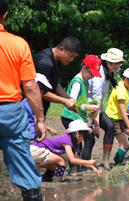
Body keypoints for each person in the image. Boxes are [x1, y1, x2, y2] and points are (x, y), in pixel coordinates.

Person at [0, 1, 46, 200]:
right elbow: (29, 86)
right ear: (5, 15)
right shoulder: (18, 44)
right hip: (10, 112)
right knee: (24, 165)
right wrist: (40, 118)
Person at [60, 55, 101, 171]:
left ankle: (81, 167)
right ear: (84, 68)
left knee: (85, 141)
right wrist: (88, 106)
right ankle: (79, 168)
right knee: (79, 142)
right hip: (70, 117)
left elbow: (81, 99)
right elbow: (72, 102)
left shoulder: (85, 82)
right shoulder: (77, 82)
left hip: (78, 117)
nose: (92, 76)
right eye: (91, 73)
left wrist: (90, 104)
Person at [88, 48, 126, 169]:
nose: (119, 66)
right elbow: (96, 98)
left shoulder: (109, 73)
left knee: (110, 127)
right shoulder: (99, 74)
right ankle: (82, 165)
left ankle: (105, 161)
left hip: (97, 106)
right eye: (117, 63)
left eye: (120, 63)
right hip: (88, 107)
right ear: (108, 62)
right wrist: (96, 122)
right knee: (89, 137)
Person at [30, 120, 101, 182]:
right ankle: (57, 181)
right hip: (36, 150)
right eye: (83, 135)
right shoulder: (67, 141)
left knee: (54, 166)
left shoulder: (70, 141)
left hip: (35, 152)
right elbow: (72, 160)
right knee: (61, 161)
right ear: (77, 133)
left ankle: (46, 180)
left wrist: (92, 167)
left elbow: (77, 158)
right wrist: (88, 161)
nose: (83, 139)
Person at [104, 67, 129, 168]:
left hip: (119, 118)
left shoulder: (124, 87)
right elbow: (122, 112)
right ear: (127, 79)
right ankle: (117, 163)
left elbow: (123, 109)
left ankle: (118, 159)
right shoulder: (121, 90)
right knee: (126, 143)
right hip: (114, 119)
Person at [33, 36, 81, 115]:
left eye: (74, 57)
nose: (71, 60)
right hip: (29, 109)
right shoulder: (46, 64)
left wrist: (68, 98)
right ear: (61, 49)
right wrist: (64, 101)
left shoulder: (57, 60)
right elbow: (40, 92)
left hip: (39, 108)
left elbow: (54, 83)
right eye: (70, 56)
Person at [22, 73, 57, 141]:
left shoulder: (25, 101)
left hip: (26, 134)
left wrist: (48, 128)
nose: (43, 93)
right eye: (42, 90)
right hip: (32, 135)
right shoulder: (34, 104)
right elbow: (36, 120)